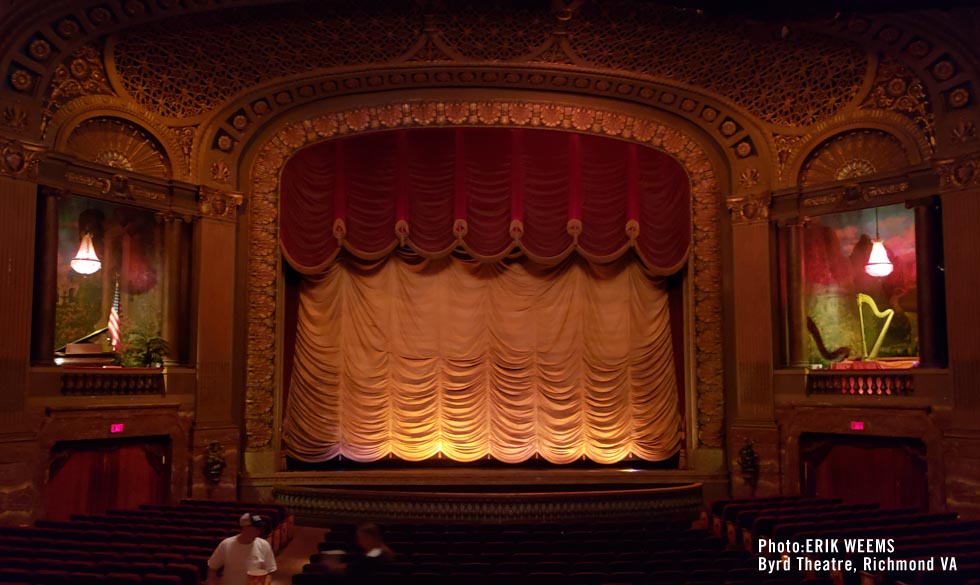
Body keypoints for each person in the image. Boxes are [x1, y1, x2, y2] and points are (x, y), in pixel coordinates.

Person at [208, 513, 278, 585]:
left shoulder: (264, 545)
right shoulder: (226, 544)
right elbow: (212, 567)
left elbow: (270, 571)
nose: (258, 532)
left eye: (260, 529)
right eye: (256, 528)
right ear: (244, 528)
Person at [320, 523, 394, 584]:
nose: (359, 541)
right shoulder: (377, 551)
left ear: (369, 538)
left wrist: (339, 568)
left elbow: (361, 571)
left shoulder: (378, 553)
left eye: (360, 537)